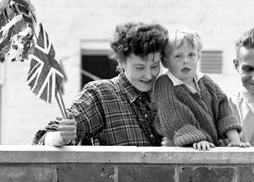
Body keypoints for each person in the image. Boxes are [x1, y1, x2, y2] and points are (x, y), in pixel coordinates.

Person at [33, 22, 167, 147]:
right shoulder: (100, 93)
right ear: (121, 62)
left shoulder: (167, 93)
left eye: (154, 66)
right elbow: (43, 139)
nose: (149, 75)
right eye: (139, 67)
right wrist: (61, 137)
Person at [154, 28, 247, 150]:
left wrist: (235, 141)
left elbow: (224, 111)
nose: (186, 61)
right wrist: (197, 140)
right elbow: (174, 117)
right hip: (183, 148)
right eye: (178, 56)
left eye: (191, 55)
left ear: (198, 57)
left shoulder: (206, 82)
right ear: (165, 62)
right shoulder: (164, 84)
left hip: (211, 147)